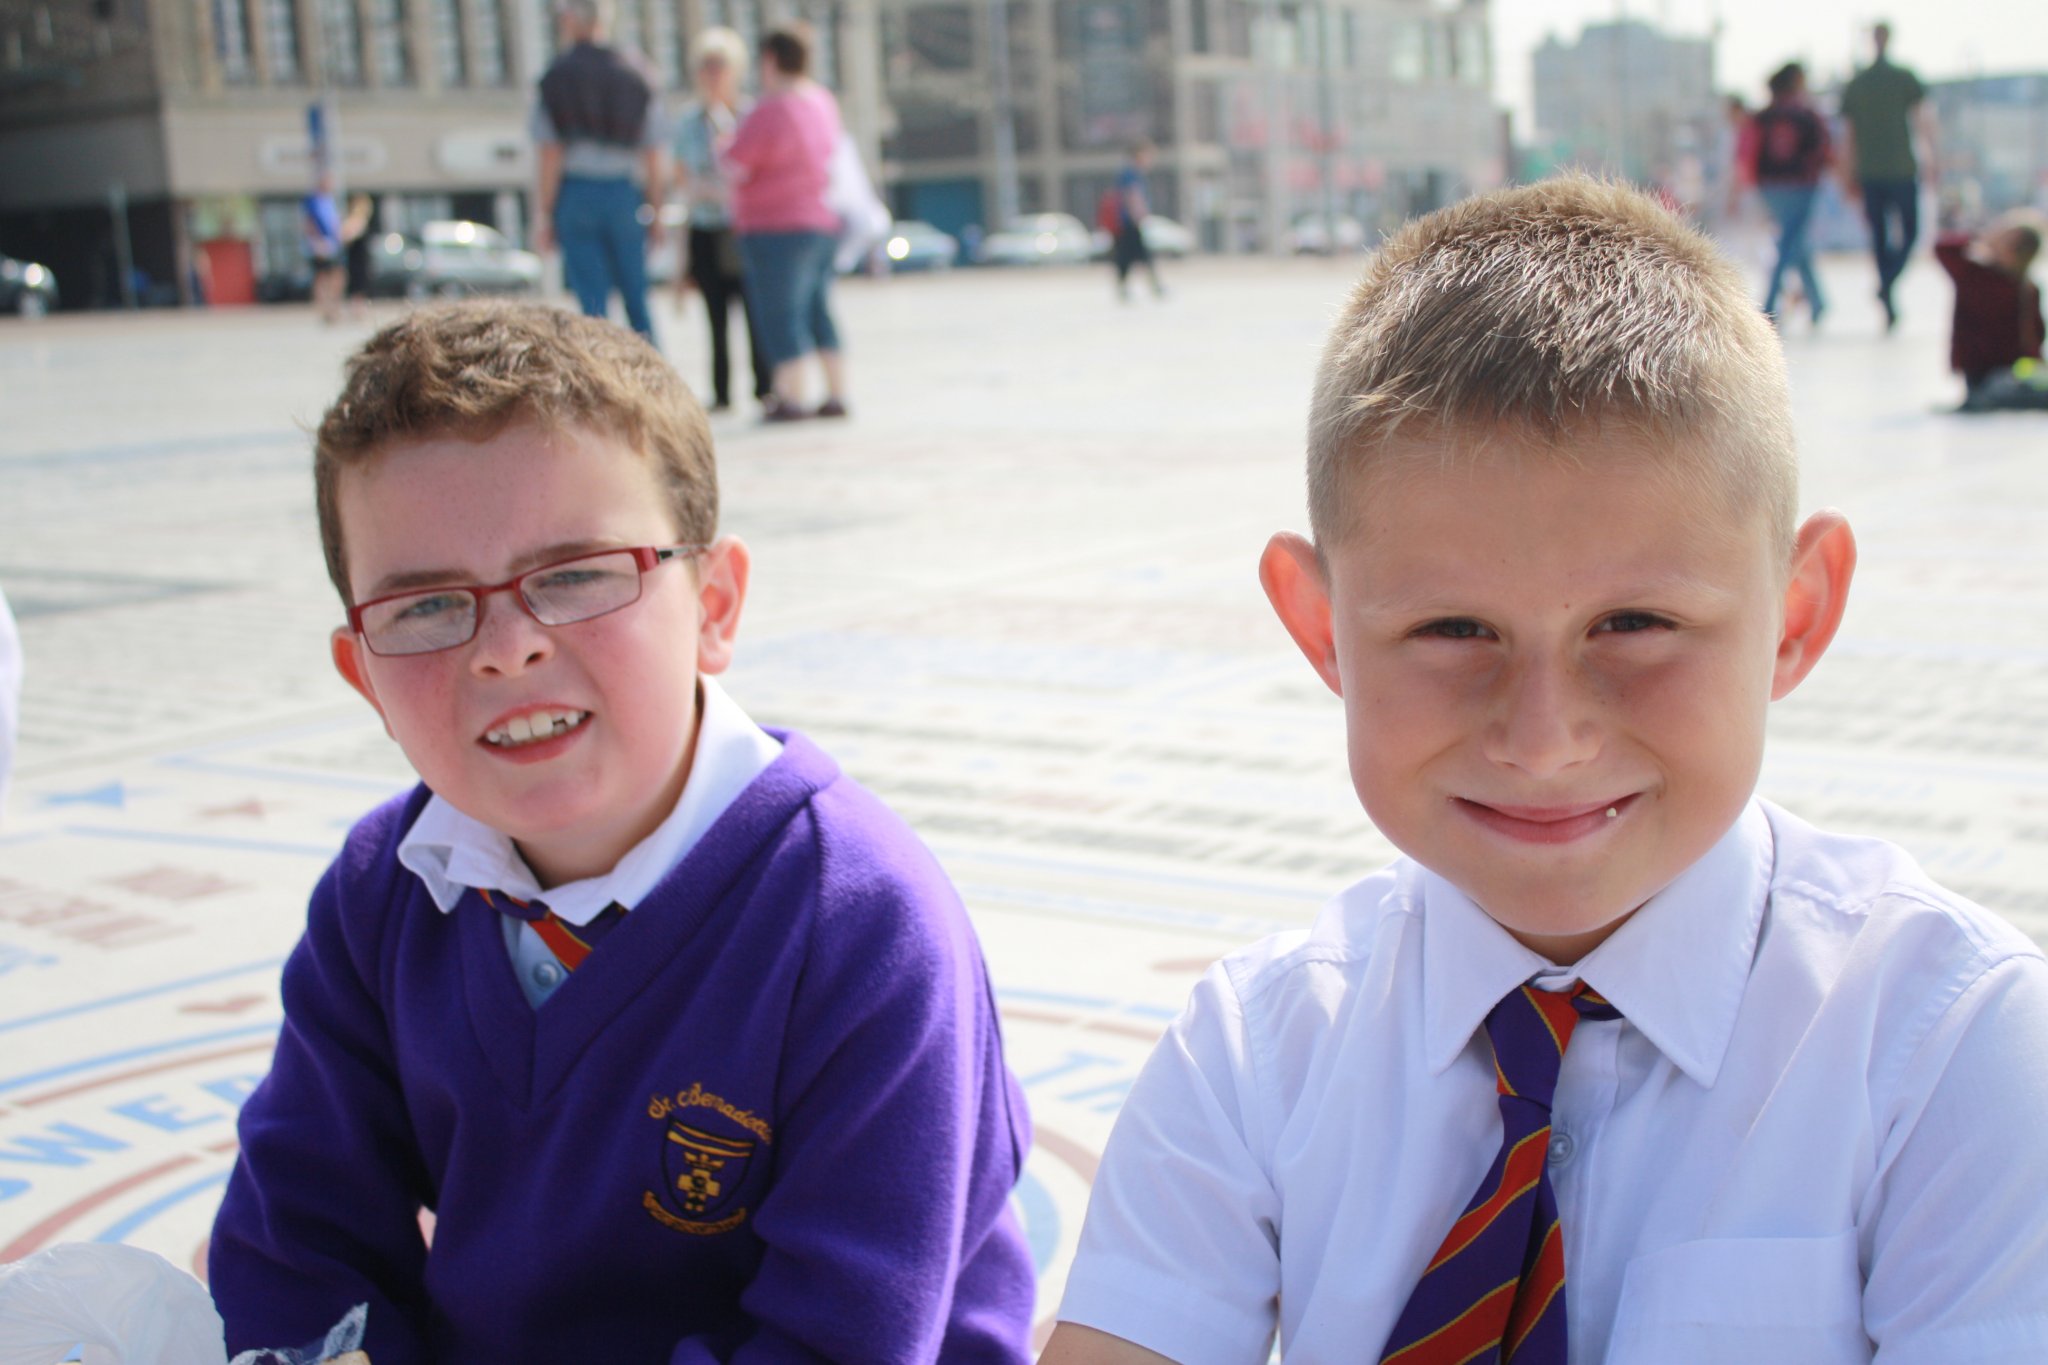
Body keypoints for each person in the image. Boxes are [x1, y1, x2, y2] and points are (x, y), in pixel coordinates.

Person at [1041, 177, 2048, 1365]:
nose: (1542, 737)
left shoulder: (1952, 1051)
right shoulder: (1251, 1057)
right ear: (1320, 629)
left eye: (1632, 625)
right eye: (1451, 633)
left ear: (1795, 615)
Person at [208, 301, 1035, 1363]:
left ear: (716, 605)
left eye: (577, 575)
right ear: (361, 673)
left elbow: (845, 1338)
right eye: (422, 608)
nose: (504, 649)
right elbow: (298, 1241)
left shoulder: (859, 922)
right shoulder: (382, 895)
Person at [725, 25, 847, 421]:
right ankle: (836, 392)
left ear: (770, 59)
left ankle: (791, 397)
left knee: (779, 311)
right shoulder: (821, 101)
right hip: (821, 219)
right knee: (817, 309)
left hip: (774, 224)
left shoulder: (770, 109)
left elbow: (734, 163)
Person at [531, 0, 666, 340]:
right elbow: (653, 152)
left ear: (574, 20)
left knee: (592, 304)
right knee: (637, 296)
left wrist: (544, 214)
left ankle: (601, 381)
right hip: (623, 193)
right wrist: (658, 210)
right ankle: (653, 379)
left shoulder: (557, 75)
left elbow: (550, 153)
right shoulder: (637, 73)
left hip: (577, 194)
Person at [672, 27, 770, 414]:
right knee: (715, 315)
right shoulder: (688, 121)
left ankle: (765, 386)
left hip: (742, 227)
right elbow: (682, 176)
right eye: (706, 67)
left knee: (753, 309)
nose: (713, 75)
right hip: (705, 228)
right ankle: (722, 391)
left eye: (720, 66)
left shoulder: (749, 115)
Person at [1840, 22, 1935, 330]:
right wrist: (1848, 172)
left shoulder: (1903, 78)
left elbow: (1921, 121)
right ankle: (1889, 296)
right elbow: (1849, 135)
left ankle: (1887, 283)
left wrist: (1932, 157)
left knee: (1908, 232)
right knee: (1881, 236)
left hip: (1900, 167)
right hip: (1874, 170)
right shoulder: (1859, 82)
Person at [1740, 62, 1833, 326]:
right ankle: (1770, 304)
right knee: (1789, 244)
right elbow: (1824, 150)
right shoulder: (1807, 115)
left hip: (1770, 187)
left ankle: (1817, 302)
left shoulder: (1763, 116)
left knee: (1794, 242)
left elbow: (1749, 152)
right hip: (1801, 186)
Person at [1936, 209, 2046, 410]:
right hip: (1984, 372)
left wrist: (1981, 237)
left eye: (2004, 236)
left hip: (2005, 372)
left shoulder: (1980, 277)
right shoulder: (1977, 274)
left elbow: (1944, 248)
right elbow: (1942, 248)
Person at [1110, 140, 1165, 302]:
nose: (1150, 159)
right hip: (1129, 222)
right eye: (1148, 155)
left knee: (1128, 256)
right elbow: (1132, 196)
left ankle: (1127, 287)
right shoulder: (1131, 173)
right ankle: (1153, 285)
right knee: (1138, 254)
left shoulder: (1128, 172)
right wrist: (1139, 216)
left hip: (1126, 222)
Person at [302, 173, 345, 325]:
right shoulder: (313, 202)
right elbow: (309, 223)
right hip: (321, 245)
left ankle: (334, 307)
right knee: (321, 277)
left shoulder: (331, 201)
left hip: (334, 244)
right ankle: (323, 309)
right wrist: (316, 242)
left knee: (337, 276)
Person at [341, 191, 376, 320]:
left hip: (360, 257)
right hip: (356, 258)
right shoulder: (357, 220)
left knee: (359, 284)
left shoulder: (359, 220)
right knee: (358, 284)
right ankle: (357, 311)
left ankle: (358, 310)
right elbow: (345, 237)